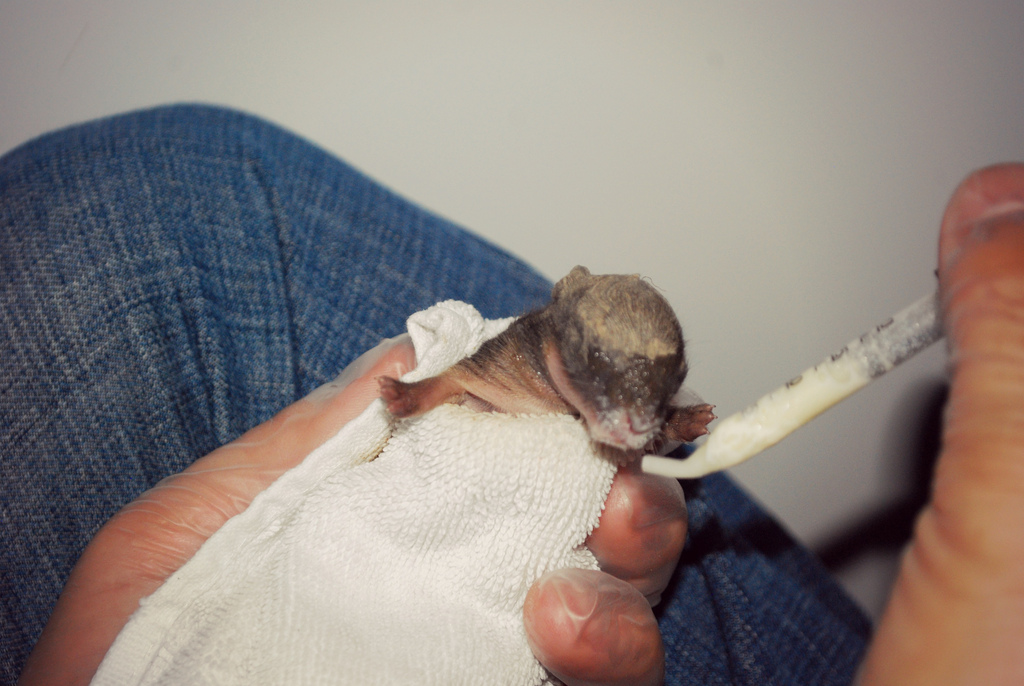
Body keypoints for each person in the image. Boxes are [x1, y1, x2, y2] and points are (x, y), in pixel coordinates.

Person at [1, 105, 1020, 685]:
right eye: (615, 399)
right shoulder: (500, 349)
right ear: (562, 320)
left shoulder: (611, 409)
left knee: (122, 208)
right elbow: (437, 382)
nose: (626, 426)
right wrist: (407, 396)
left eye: (646, 405)